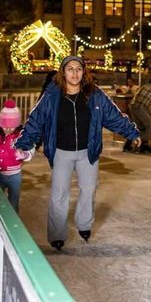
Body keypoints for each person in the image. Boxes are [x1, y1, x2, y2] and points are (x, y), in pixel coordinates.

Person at [14, 56, 141, 250]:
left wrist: (131, 132)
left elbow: (113, 116)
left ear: (84, 72)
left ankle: (84, 224)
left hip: (87, 152)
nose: (74, 73)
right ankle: (57, 235)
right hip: (61, 152)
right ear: (63, 72)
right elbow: (36, 120)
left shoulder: (95, 95)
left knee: (88, 189)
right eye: (70, 69)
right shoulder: (52, 95)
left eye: (78, 69)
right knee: (59, 193)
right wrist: (24, 142)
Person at [126, 77, 151, 153]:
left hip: (132, 106)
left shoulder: (144, 86)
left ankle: (128, 145)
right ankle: (144, 145)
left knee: (138, 127)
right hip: (140, 107)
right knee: (149, 125)